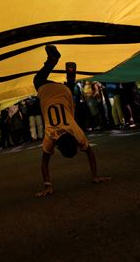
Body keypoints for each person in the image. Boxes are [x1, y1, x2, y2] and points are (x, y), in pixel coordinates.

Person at [33, 45, 111, 197]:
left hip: (64, 92)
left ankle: (69, 76)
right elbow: (44, 163)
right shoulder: (50, 136)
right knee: (38, 79)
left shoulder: (78, 134)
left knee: (68, 95)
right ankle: (53, 62)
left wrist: (95, 176)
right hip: (46, 90)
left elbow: (90, 153)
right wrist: (47, 185)